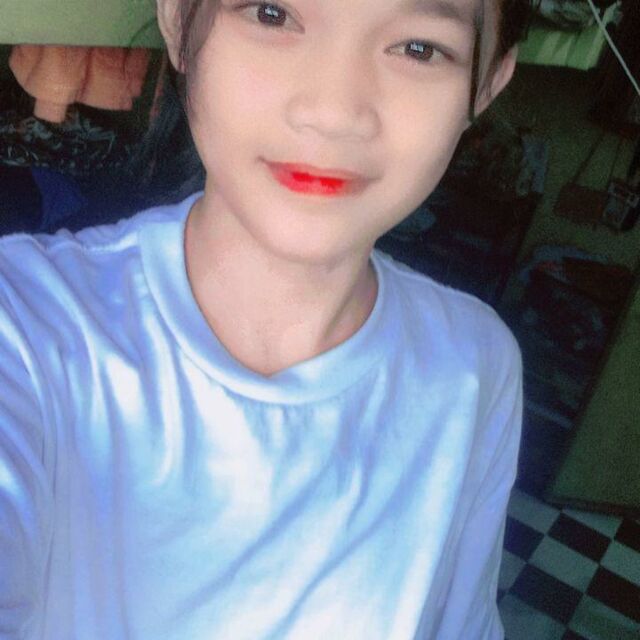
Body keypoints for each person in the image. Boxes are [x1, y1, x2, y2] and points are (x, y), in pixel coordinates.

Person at [0, 0, 532, 637]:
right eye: (272, 14)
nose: (332, 112)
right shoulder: (23, 325)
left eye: (419, 48)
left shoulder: (475, 365)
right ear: (178, 20)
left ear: (487, 84)